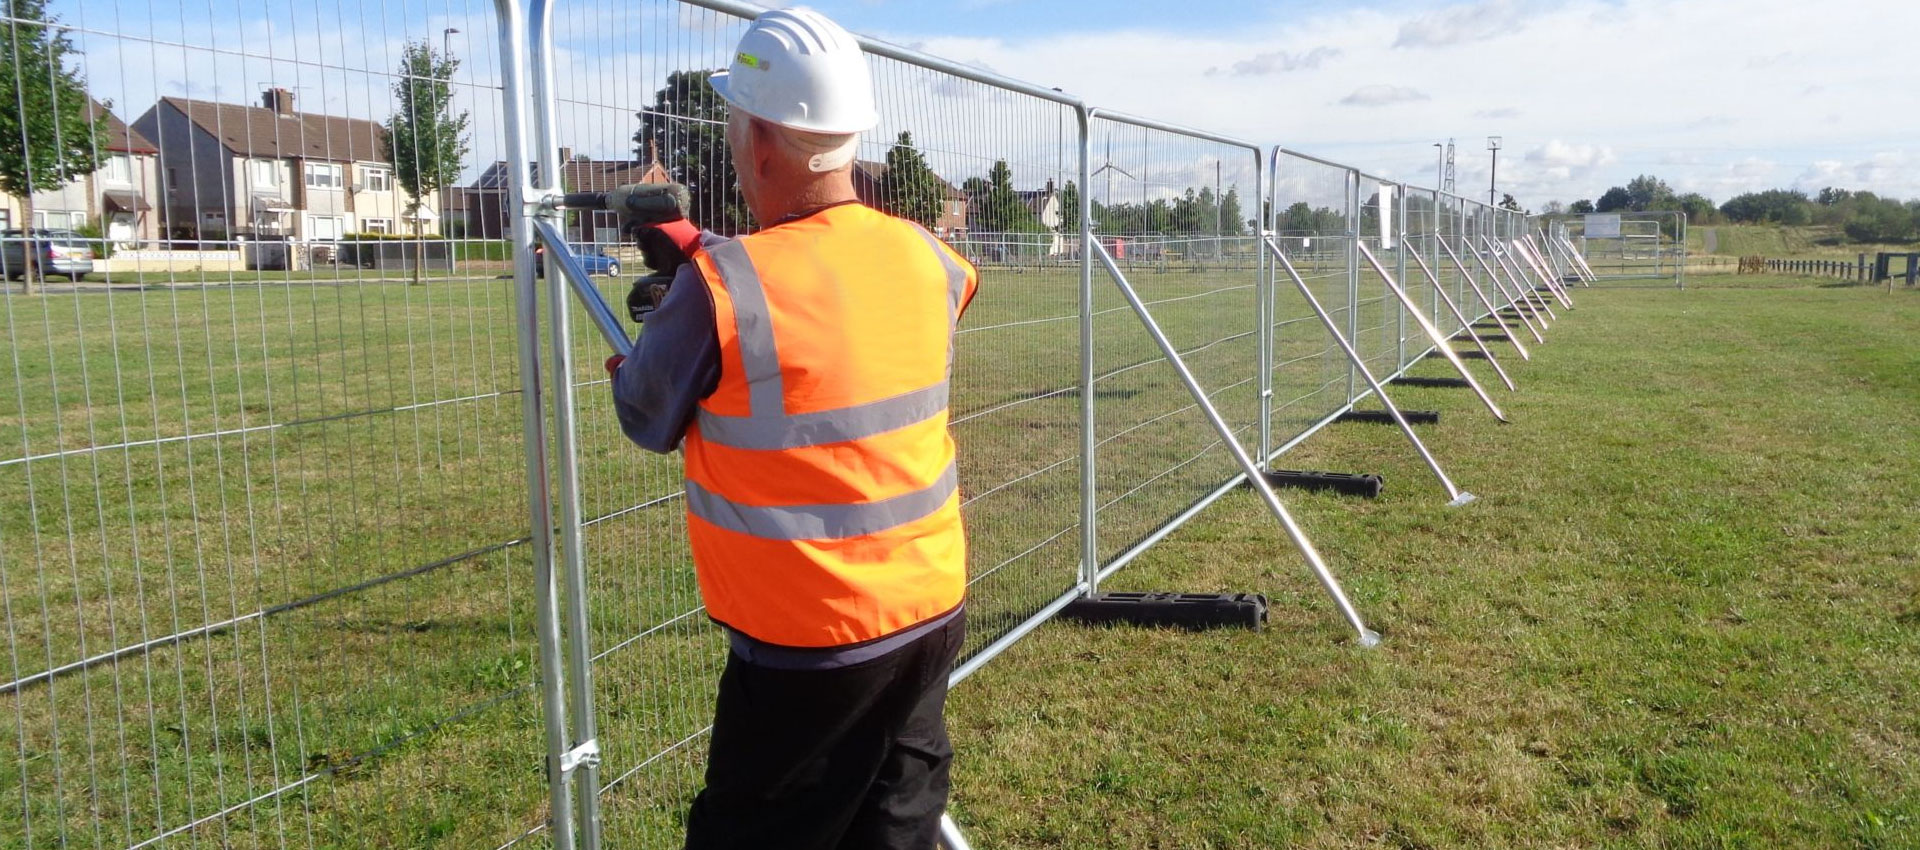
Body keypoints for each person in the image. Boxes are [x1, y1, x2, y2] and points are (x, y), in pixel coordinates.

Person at [605, 7, 978, 849]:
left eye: (735, 121)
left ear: (761, 141)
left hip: (810, 638)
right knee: (896, 822)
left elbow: (647, 413)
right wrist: (706, 257)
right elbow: (831, 302)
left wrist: (674, 315)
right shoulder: (926, 255)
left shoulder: (722, 283)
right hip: (926, 605)